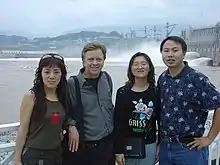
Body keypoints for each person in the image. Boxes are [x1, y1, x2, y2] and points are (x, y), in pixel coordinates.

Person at [157, 36, 220, 165]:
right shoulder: (163, 78)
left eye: (175, 50)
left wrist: (209, 138)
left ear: (184, 53)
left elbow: (218, 104)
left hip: (189, 148)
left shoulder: (197, 79)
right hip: (166, 146)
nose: (170, 55)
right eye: (166, 51)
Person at [14, 53, 73, 165]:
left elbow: (56, 121)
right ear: (40, 74)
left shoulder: (62, 97)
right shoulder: (32, 97)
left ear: (62, 75)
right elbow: (23, 130)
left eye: (56, 72)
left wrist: (71, 126)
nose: (51, 76)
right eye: (47, 72)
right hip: (35, 155)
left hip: (56, 154)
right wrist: (17, 160)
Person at [62, 42, 115, 165]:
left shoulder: (106, 78)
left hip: (108, 146)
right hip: (85, 149)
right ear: (83, 61)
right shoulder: (72, 84)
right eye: (91, 59)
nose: (95, 63)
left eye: (99, 59)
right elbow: (62, 111)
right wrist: (71, 126)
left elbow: (109, 108)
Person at [114, 52, 160, 165]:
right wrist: (118, 151)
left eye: (143, 64)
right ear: (130, 68)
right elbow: (118, 122)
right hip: (127, 145)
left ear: (150, 68)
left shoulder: (156, 91)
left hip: (149, 145)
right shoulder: (122, 92)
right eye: (135, 64)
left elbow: (161, 120)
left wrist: (160, 145)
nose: (140, 67)